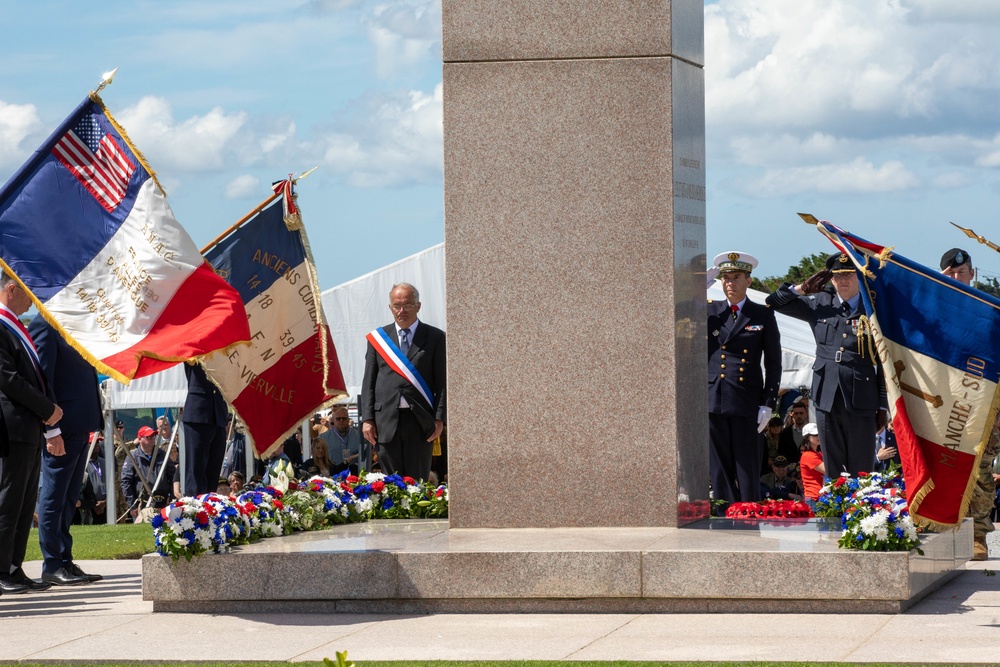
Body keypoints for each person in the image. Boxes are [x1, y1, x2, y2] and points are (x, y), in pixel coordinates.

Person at [766, 252, 887, 477]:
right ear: (830, 279)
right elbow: (773, 303)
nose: (843, 280)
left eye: (849, 274)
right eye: (837, 275)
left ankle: (861, 508)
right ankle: (835, 509)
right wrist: (801, 288)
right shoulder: (819, 303)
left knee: (862, 466)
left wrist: (882, 405)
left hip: (861, 394)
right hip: (826, 394)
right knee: (833, 464)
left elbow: (884, 362)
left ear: (859, 276)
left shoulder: (874, 306)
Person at [0, 273, 65, 595]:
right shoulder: (1, 326)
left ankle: (14, 567)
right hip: (10, 425)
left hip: (26, 427)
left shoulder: (15, 326)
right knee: (8, 502)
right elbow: (9, 379)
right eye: (28, 294)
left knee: (25, 504)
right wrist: (46, 408)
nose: (32, 302)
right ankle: (2, 570)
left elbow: (33, 376)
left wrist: (47, 416)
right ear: (11, 289)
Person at [28, 314, 104, 586]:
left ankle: (64, 560)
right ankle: (52, 564)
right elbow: (43, 379)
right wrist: (52, 429)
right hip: (62, 426)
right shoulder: (45, 324)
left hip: (81, 425)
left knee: (69, 497)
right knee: (54, 497)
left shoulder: (71, 322)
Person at [707, 252, 781, 507]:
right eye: (725, 278)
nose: (730, 283)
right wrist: (692, 291)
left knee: (747, 464)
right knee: (719, 466)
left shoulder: (762, 314)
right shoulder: (709, 311)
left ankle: (749, 515)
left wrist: (768, 403)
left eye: (736, 277)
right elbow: (677, 317)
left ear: (748, 281)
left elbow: (773, 362)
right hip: (715, 397)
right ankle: (722, 514)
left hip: (747, 399)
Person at [940, 247, 999, 561]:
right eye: (949, 274)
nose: (956, 278)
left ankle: (978, 536)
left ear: (972, 274)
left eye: (961, 273)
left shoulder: (992, 310)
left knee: (980, 472)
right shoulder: (935, 311)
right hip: (946, 404)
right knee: (945, 468)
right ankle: (943, 532)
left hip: (985, 406)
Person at [361, 283, 446, 481]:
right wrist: (367, 419)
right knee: (391, 485)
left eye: (407, 305)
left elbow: (442, 382)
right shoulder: (378, 339)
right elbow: (369, 382)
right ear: (390, 308)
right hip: (385, 421)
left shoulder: (435, 337)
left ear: (418, 306)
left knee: (417, 483)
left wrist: (440, 418)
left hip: (420, 421)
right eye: (396, 306)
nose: (401, 311)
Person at [182, 362, 228, 496]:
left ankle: (209, 506)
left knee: (213, 471)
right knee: (196, 471)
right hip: (198, 412)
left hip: (218, 414)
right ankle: (194, 510)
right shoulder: (193, 345)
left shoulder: (224, 348)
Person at [120, 425, 175, 521]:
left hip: (163, 501)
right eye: (148, 437)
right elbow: (126, 482)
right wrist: (132, 505)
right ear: (140, 439)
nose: (152, 439)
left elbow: (172, 476)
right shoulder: (133, 456)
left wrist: (171, 497)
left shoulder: (162, 454)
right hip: (143, 502)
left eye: (153, 436)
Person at [322, 406, 369, 475]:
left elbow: (367, 455)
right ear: (333, 420)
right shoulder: (323, 438)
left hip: (355, 476)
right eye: (338, 419)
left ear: (348, 419)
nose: (341, 420)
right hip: (333, 476)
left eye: (344, 418)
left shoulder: (360, 436)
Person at [799, 423, 826, 507]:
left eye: (819, 434)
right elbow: (827, 469)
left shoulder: (818, 454)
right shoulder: (808, 455)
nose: (818, 436)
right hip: (814, 498)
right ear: (807, 437)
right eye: (815, 435)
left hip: (820, 497)